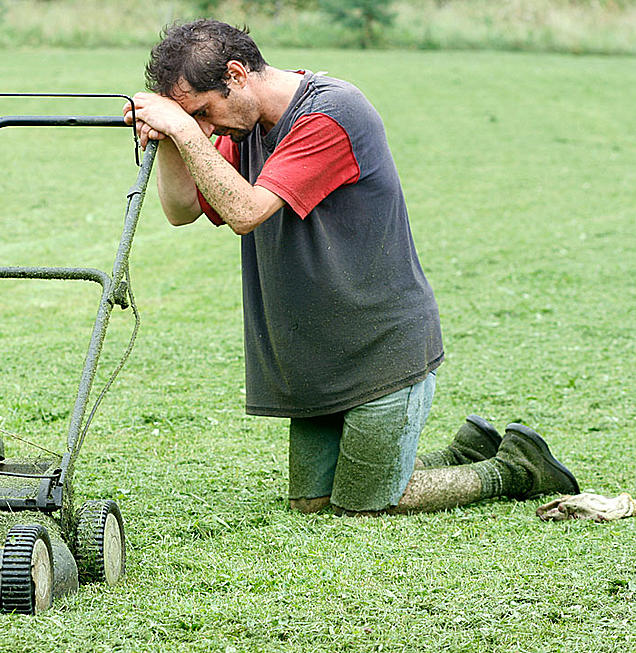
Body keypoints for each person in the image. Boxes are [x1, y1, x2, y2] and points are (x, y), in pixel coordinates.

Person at [124, 19, 579, 515]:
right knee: (313, 504)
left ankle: (515, 468)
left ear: (236, 75)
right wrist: (170, 140)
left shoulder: (332, 113)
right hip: (322, 361)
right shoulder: (246, 126)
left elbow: (245, 211)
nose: (207, 127)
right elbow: (181, 209)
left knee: (365, 505)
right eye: (196, 119)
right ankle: (463, 451)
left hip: (382, 353)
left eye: (206, 112)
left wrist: (185, 130)